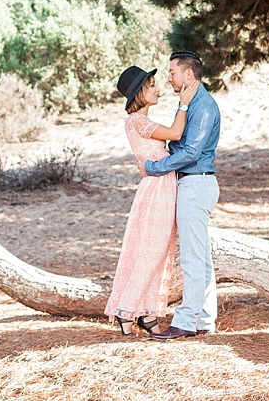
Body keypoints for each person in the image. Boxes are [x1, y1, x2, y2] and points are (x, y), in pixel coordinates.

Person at [106, 64, 198, 336]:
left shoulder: (139, 121)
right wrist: (183, 105)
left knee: (157, 251)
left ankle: (146, 313)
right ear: (140, 93)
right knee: (151, 252)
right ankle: (126, 311)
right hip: (157, 189)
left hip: (160, 186)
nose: (158, 89)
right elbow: (175, 134)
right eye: (152, 85)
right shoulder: (138, 120)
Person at [142, 50, 221, 341]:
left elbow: (190, 153)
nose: (169, 78)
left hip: (196, 185)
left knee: (191, 258)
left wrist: (154, 167)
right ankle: (205, 320)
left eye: (172, 72)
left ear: (189, 74)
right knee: (201, 258)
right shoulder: (190, 103)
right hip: (193, 184)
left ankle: (186, 322)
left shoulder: (203, 106)